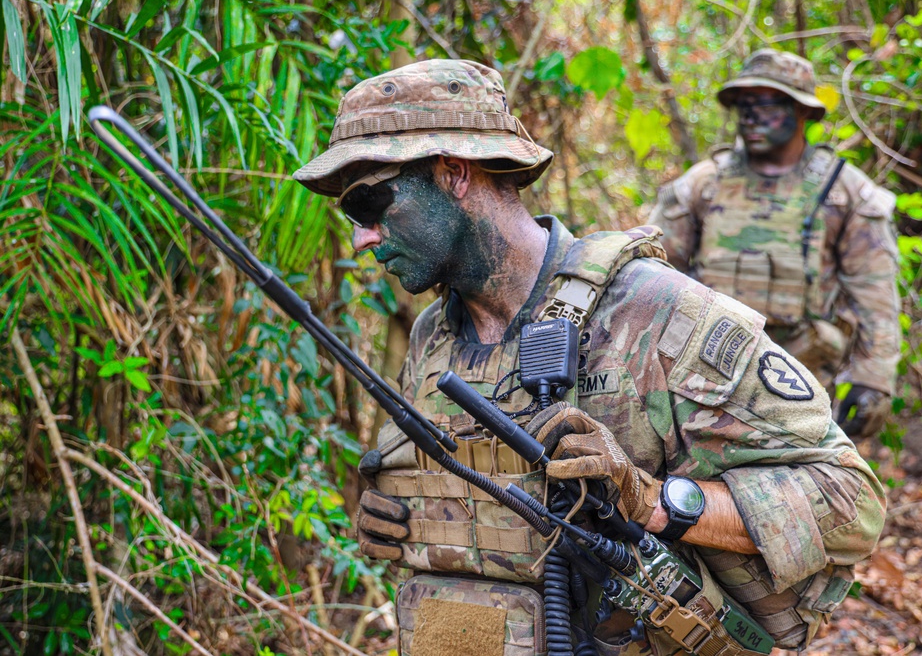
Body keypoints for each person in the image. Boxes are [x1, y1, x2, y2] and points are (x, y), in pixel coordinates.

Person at [294, 59, 886, 655]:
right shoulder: (431, 339)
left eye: (371, 203)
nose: (361, 238)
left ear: (453, 173)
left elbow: (851, 504)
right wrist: (408, 521)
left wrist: (655, 502)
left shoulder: (655, 315)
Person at [645, 49, 901, 440]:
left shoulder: (843, 191)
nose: (750, 116)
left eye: (765, 103)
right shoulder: (704, 184)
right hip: (704, 378)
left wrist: (873, 379)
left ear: (801, 112)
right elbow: (653, 276)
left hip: (805, 379)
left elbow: (875, 293)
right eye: (743, 104)